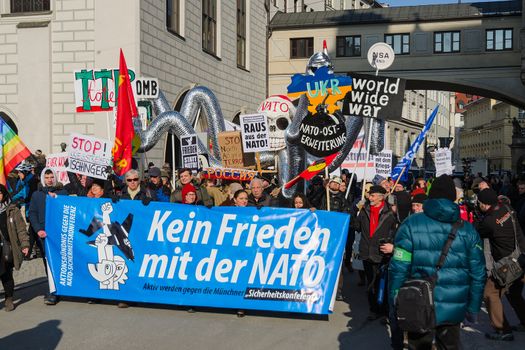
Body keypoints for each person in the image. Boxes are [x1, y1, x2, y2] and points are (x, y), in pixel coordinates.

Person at [389, 174, 486, 349]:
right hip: (453, 304)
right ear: (453, 198)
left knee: (418, 346)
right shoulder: (468, 230)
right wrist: (473, 308)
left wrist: (394, 301)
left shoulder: (411, 224)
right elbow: (478, 273)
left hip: (417, 300)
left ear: (430, 196)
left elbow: (398, 268)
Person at [475, 188, 525, 341]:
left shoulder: (489, 221)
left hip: (508, 266)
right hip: (522, 256)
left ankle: (503, 330)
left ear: (484, 204)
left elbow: (476, 231)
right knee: (514, 293)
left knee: (490, 293)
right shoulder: (507, 209)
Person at [352, 185, 398, 319]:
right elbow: (356, 226)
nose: (369, 197)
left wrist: (391, 244)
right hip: (367, 252)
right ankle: (373, 309)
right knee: (370, 283)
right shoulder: (364, 210)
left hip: (382, 253)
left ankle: (384, 311)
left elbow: (395, 232)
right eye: (369, 195)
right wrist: (355, 210)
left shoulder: (389, 213)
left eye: (372, 195)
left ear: (380, 197)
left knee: (382, 283)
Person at [28, 168, 68, 305]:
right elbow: (32, 213)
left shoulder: (63, 193)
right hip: (44, 235)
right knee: (48, 263)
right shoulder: (36, 195)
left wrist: (58, 200)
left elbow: (69, 209)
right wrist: (38, 229)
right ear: (42, 179)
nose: (49, 179)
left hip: (60, 234)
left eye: (52, 177)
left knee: (62, 262)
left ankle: (63, 288)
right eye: (47, 177)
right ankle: (53, 290)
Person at [0, 184, 30, 312]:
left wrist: (25, 244)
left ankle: (8, 298)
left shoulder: (13, 210)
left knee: (6, 275)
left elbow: (21, 229)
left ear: (4, 194)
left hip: (7, 247)